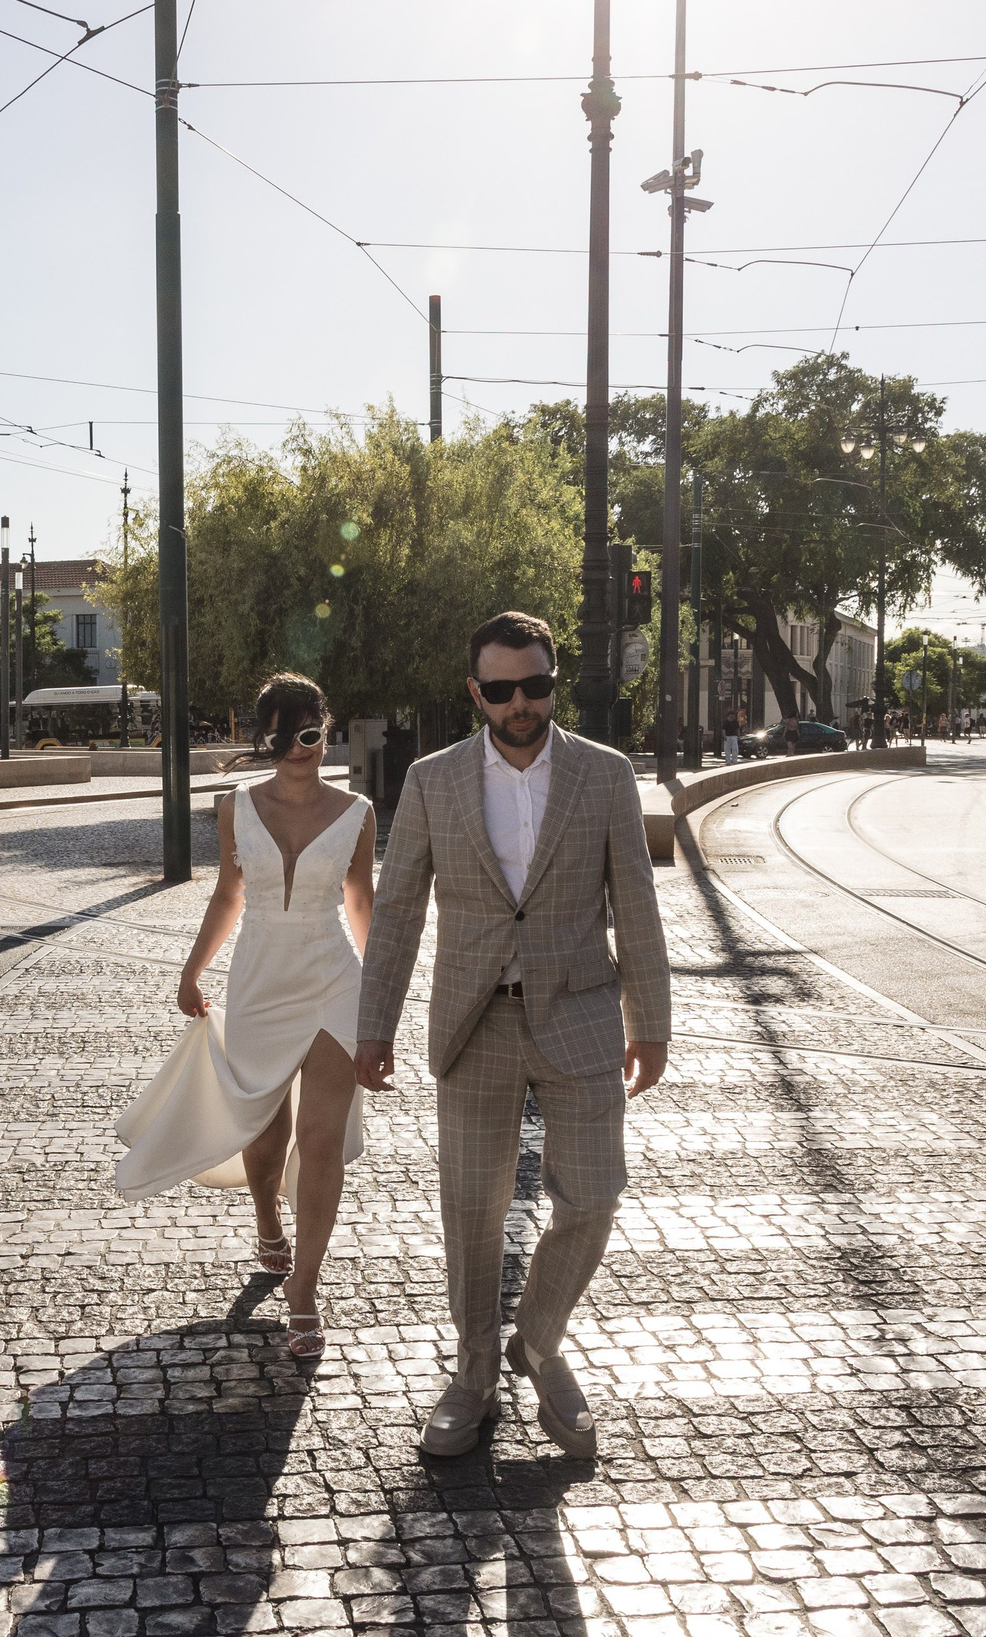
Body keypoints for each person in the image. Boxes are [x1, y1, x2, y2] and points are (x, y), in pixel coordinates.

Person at [354, 610, 671, 1459]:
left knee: (594, 1196)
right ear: (476, 692)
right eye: (501, 689)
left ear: (553, 682)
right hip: (475, 1019)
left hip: (581, 1012)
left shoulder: (605, 774)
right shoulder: (432, 779)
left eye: (534, 685)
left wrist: (651, 1023)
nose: (519, 703)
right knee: (472, 1210)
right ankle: (473, 1375)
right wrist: (374, 1024)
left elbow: (636, 903)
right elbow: (397, 910)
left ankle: (535, 1339)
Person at [115, 674, 373, 1360]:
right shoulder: (236, 807)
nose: (302, 749)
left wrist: (382, 998)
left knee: (320, 1138)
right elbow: (228, 893)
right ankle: (267, 1219)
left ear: (326, 728)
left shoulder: (357, 811)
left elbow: (361, 904)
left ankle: (305, 1289)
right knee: (265, 1129)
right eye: (286, 737)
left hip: (335, 980)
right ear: (268, 740)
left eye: (312, 732)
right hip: (260, 979)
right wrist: (191, 970)